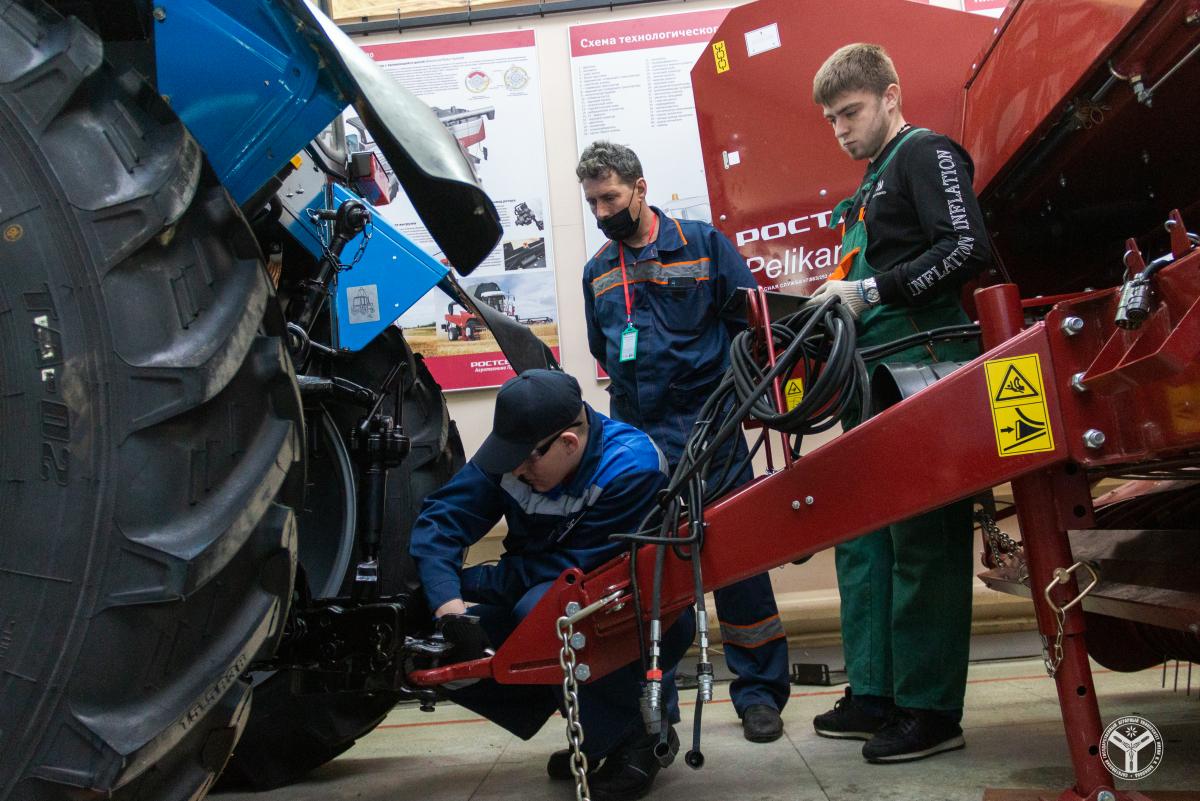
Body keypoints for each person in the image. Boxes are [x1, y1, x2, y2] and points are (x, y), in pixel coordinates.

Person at [807, 43, 991, 763]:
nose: (840, 129)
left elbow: (966, 246)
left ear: (890, 94)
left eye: (849, 112)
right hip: (872, 377)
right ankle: (878, 690)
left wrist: (872, 291)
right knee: (865, 538)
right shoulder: (871, 181)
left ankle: (931, 707)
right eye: (830, 119)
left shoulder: (925, 153)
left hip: (926, 369)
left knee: (923, 542)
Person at [577, 141, 790, 744]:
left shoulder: (702, 245)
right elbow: (604, 351)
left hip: (711, 432)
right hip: (640, 446)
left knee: (739, 561)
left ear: (640, 189)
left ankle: (759, 696)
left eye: (611, 197)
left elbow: (749, 328)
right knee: (653, 576)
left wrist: (731, 406)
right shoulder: (598, 271)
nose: (601, 211)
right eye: (592, 202)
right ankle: (658, 706)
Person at [409, 369, 694, 801]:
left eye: (526, 461)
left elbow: (568, 571)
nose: (516, 471)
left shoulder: (632, 467)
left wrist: (475, 581)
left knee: (547, 613)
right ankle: (596, 728)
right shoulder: (516, 457)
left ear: (568, 443)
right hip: (534, 587)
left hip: (631, 611)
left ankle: (638, 736)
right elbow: (439, 523)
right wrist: (449, 609)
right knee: (425, 621)